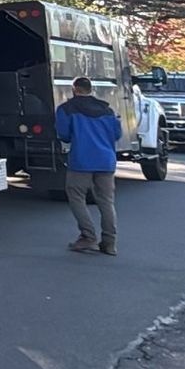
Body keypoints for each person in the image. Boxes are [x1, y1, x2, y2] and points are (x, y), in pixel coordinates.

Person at [54, 75, 120, 256]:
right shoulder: (107, 110)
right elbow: (117, 134)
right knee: (106, 201)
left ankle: (88, 236)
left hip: (81, 160)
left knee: (76, 196)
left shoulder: (66, 109)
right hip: (106, 161)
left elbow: (64, 135)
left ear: (74, 89)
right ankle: (110, 243)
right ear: (91, 89)